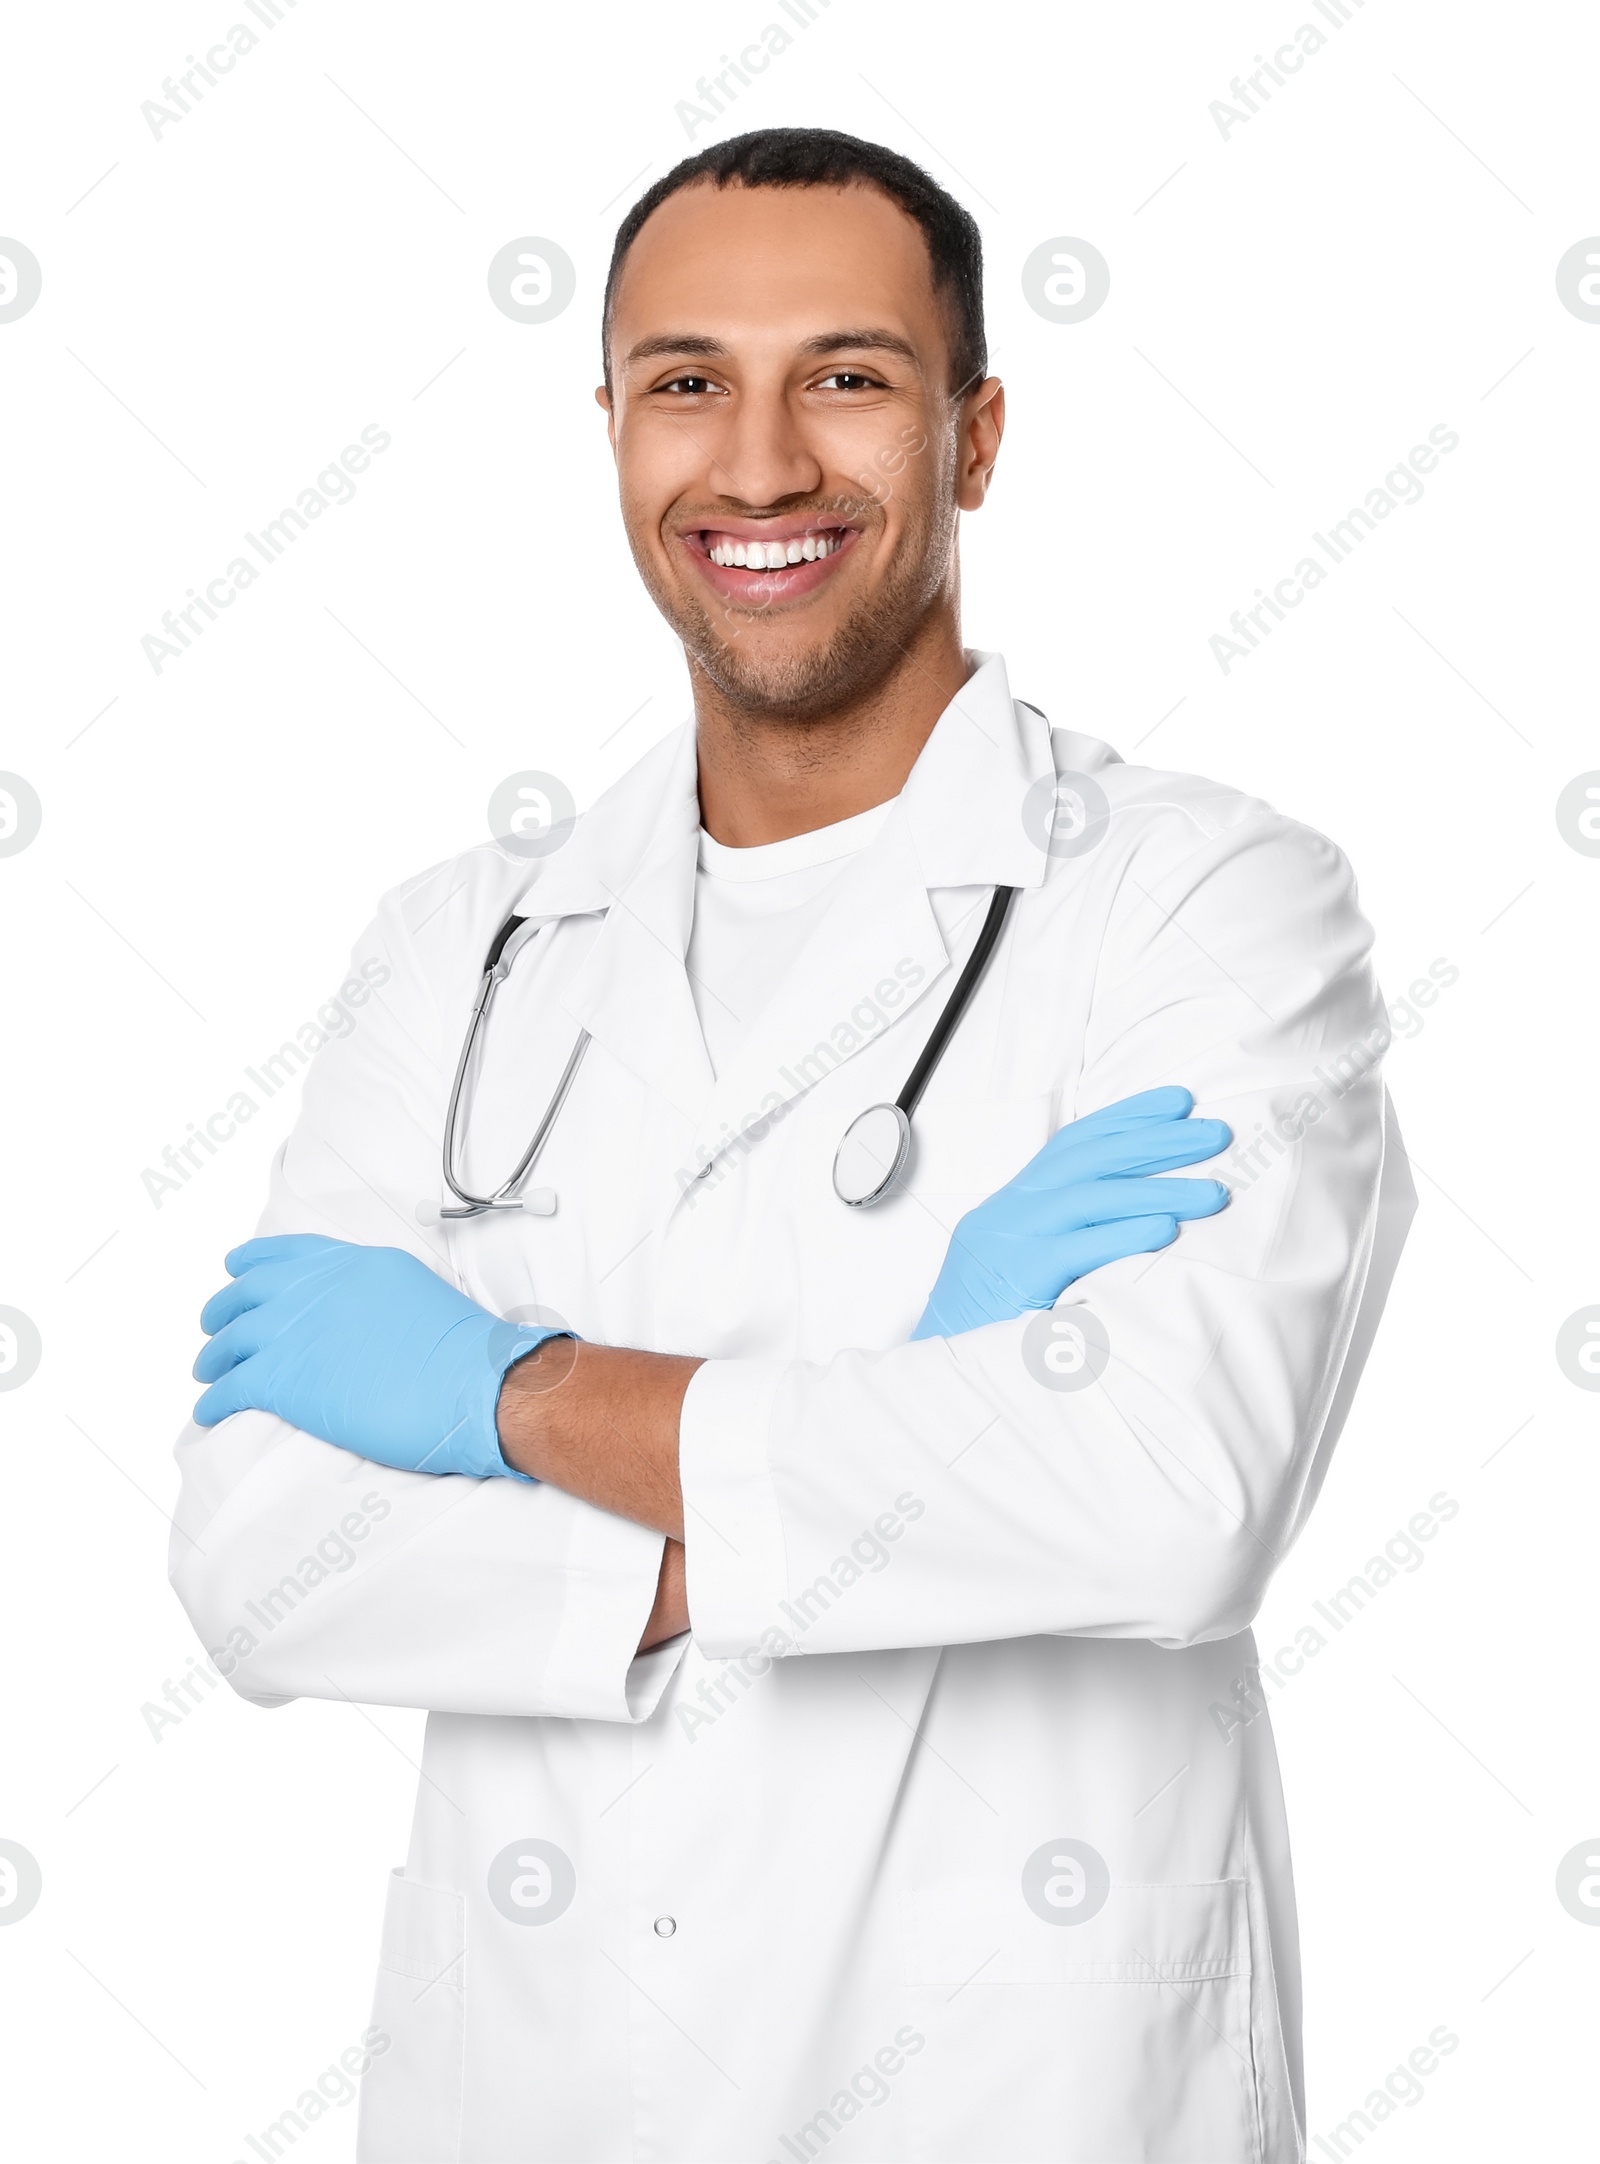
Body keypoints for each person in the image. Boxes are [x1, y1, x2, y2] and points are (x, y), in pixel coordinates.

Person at [172, 128, 1410, 2164]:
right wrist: (909, 1412)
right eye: (684, 382)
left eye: (842, 375)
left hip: (1023, 2085)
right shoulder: (461, 947)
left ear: (975, 432)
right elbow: (257, 1563)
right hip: (532, 2078)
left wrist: (501, 1393)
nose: (754, 467)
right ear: (607, 430)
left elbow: (1162, 1490)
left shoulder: (1200, 905)